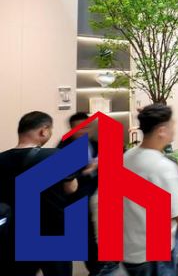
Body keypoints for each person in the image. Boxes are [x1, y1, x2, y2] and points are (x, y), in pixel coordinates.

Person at [123, 104, 178, 275]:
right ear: (162, 131)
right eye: (173, 124)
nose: (175, 129)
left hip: (129, 250)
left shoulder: (127, 157)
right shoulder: (163, 167)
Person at [0, 111, 78, 276]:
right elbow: (71, 188)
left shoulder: (1, 159)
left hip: (15, 234)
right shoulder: (55, 156)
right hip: (52, 233)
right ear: (43, 130)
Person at [58, 113, 119, 276]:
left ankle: (107, 262)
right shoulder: (63, 148)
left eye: (86, 127)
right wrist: (89, 170)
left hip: (99, 194)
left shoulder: (95, 144)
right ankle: (96, 268)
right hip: (78, 197)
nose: (84, 131)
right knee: (87, 237)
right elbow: (65, 181)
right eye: (79, 128)